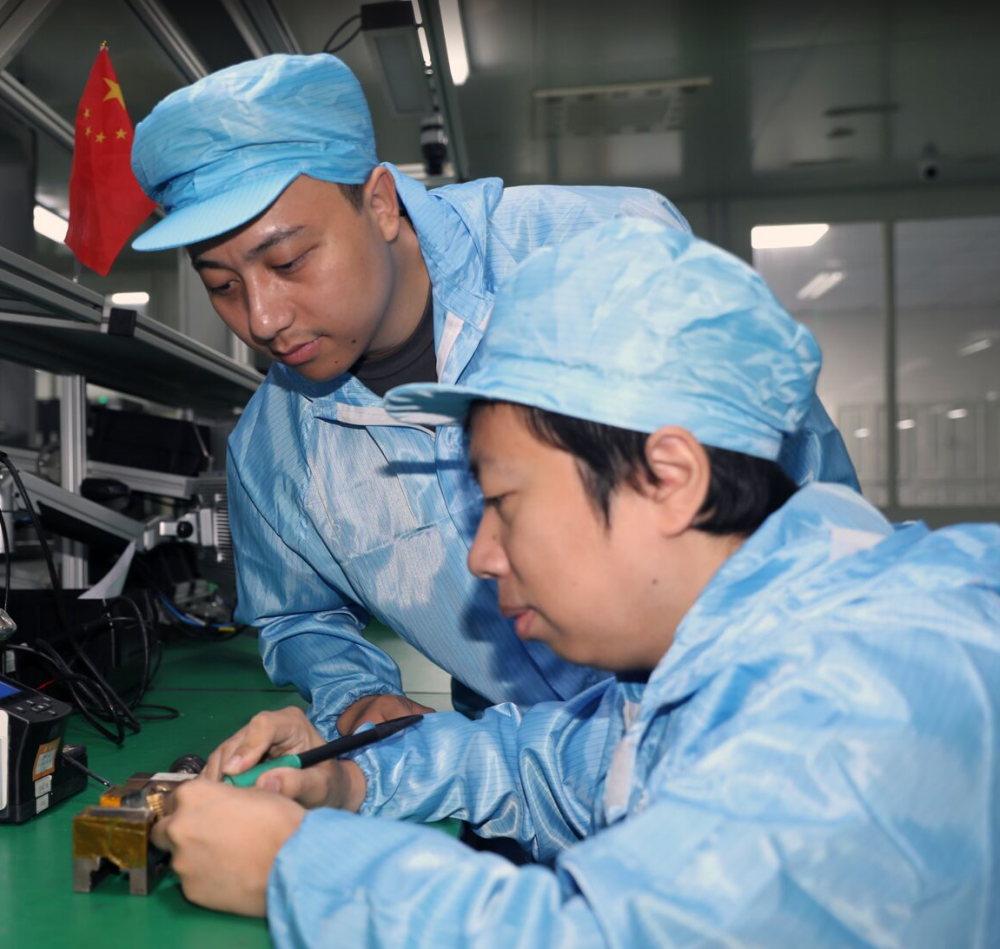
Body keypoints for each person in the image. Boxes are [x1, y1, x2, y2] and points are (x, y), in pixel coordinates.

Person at [150, 218, 1000, 948]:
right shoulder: (724, 655)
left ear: (669, 477)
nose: (482, 555)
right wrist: (354, 780)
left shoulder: (868, 688)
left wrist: (297, 870)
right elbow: (541, 764)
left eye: (503, 502)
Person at [130, 53, 860, 738]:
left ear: (379, 203)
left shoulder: (594, 247)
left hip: (756, 724)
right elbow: (297, 615)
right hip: (515, 764)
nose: (261, 319)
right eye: (222, 285)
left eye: (289, 261)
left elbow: (795, 480)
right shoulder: (273, 451)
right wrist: (354, 693)